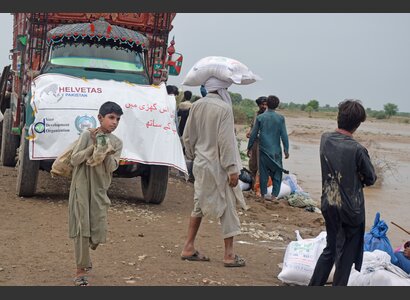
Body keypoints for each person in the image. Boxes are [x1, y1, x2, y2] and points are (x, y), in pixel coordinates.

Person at [309, 99, 377, 286]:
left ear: (339, 117)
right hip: (351, 211)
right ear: (358, 124)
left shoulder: (325, 139)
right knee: (345, 257)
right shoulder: (357, 149)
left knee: (331, 248)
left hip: (329, 203)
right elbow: (371, 178)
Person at [181, 76, 246, 267]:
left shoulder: (197, 105)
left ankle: (188, 247)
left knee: (199, 204)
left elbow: (187, 137)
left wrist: (194, 156)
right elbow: (226, 143)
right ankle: (229, 255)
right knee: (227, 207)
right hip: (219, 167)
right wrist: (233, 169)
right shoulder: (224, 109)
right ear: (223, 89)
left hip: (201, 164)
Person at [68, 101, 123, 286]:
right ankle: (80, 270)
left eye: (117, 119)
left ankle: (86, 255)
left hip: (100, 190)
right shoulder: (86, 135)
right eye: (111, 117)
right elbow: (74, 160)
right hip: (81, 187)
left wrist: (107, 151)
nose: (114, 122)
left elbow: (112, 168)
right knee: (82, 228)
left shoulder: (117, 142)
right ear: (100, 118)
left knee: (97, 231)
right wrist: (92, 146)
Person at [247, 95, 289, 201]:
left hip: (263, 151)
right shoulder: (280, 118)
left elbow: (253, 134)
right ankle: (274, 196)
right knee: (277, 173)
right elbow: (284, 135)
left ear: (267, 105)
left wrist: (249, 147)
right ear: (277, 105)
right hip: (276, 152)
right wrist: (286, 149)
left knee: (263, 173)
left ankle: (262, 195)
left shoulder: (260, 118)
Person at [246, 96, 267, 189]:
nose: (264, 106)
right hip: (254, 141)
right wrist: (249, 132)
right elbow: (252, 126)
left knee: (261, 165)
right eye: (262, 104)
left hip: (263, 143)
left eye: (265, 104)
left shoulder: (268, 116)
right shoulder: (256, 114)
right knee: (252, 164)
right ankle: (253, 185)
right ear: (258, 105)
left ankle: (259, 188)